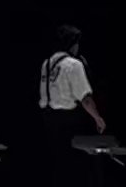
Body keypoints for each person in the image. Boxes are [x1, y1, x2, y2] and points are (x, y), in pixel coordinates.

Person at [39, 25, 105, 186]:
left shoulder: (47, 63)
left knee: (59, 164)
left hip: (48, 120)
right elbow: (85, 98)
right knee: (78, 167)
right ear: (71, 43)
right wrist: (97, 118)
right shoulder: (73, 64)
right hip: (68, 122)